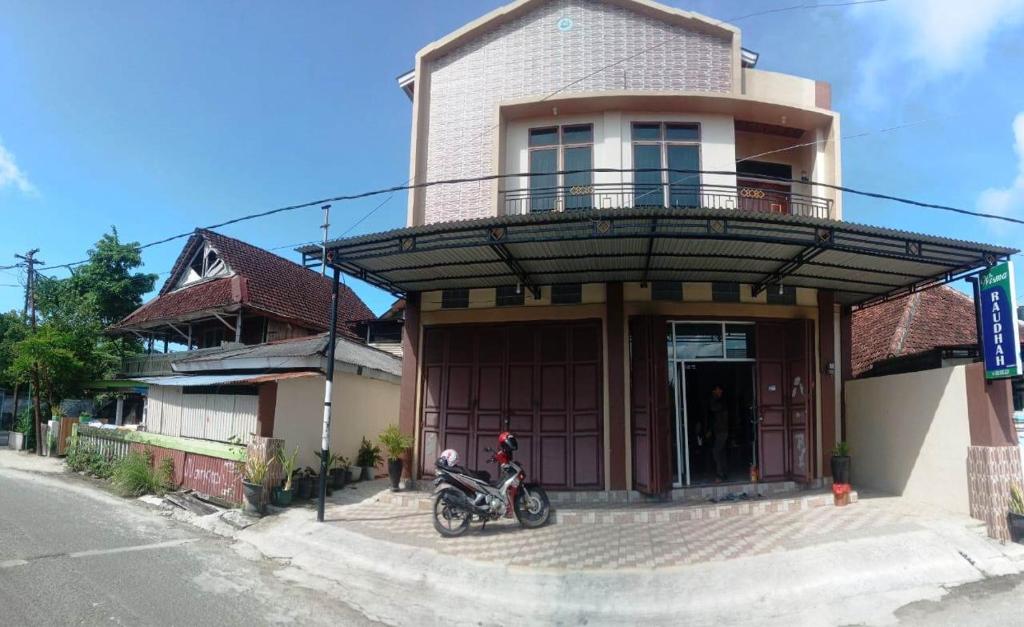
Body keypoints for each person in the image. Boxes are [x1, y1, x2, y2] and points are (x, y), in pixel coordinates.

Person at [708, 384, 729, 482]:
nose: (717, 392)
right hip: (719, 431)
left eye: (718, 390)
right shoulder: (719, 401)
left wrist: (714, 397)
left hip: (722, 431)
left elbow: (713, 408)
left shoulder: (722, 402)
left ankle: (720, 474)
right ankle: (723, 474)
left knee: (716, 452)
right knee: (721, 452)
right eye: (715, 390)